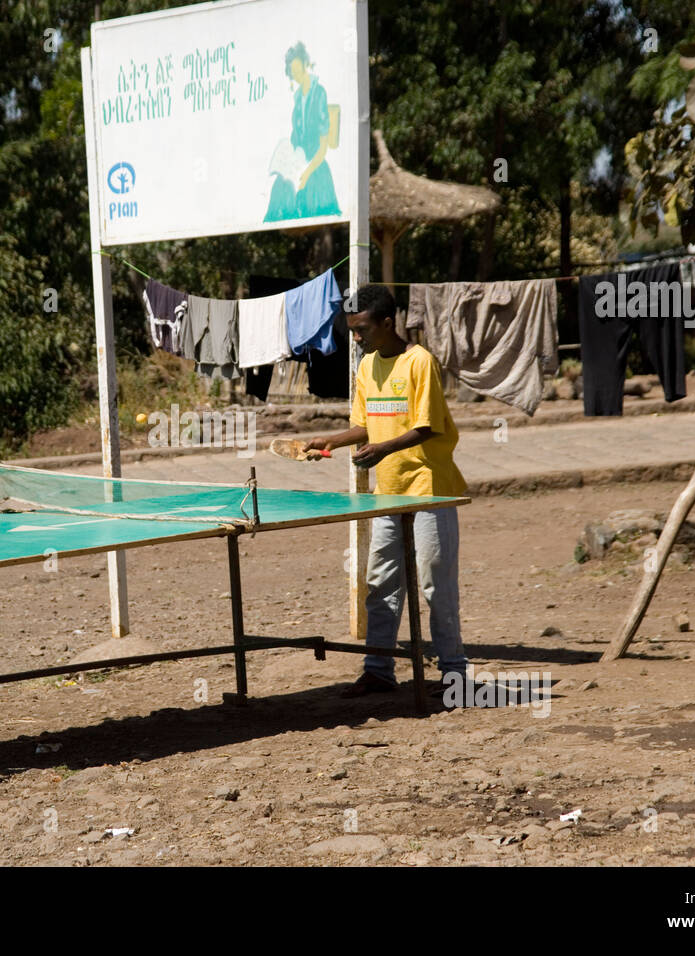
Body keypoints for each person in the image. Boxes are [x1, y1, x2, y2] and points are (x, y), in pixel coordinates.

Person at [306, 285, 469, 697]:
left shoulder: (420, 362)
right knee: (379, 583)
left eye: (362, 330)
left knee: (436, 586)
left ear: (386, 323)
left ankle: (455, 675)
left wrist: (382, 448)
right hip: (388, 491)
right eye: (352, 331)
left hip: (429, 489)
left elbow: (426, 425)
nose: (356, 339)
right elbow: (367, 424)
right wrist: (331, 442)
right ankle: (378, 670)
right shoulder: (365, 367)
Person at [264, 41, 341, 222]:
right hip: (297, 162)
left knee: (308, 201)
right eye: (293, 73)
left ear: (306, 64)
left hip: (314, 164)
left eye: (299, 70)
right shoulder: (298, 99)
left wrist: (306, 173)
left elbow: (323, 148)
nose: (297, 76)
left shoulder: (319, 93)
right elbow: (295, 139)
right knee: (279, 191)